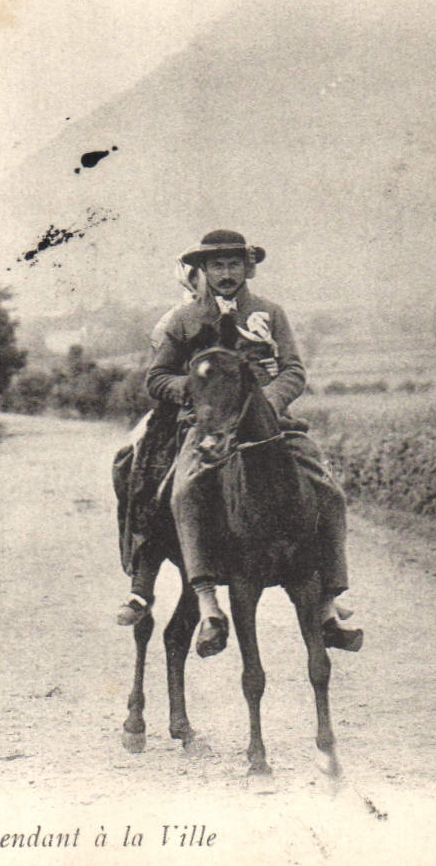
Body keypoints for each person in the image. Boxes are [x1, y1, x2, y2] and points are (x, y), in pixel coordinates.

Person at [116, 228, 361, 656]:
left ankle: (327, 601)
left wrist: (264, 404)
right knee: (184, 490)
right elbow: (157, 377)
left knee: (328, 488)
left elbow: (294, 369)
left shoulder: (270, 312)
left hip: (270, 425)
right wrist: (197, 392)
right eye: (216, 265)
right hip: (207, 425)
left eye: (232, 264)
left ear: (247, 267)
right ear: (203, 271)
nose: (225, 273)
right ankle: (207, 597)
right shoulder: (183, 320)